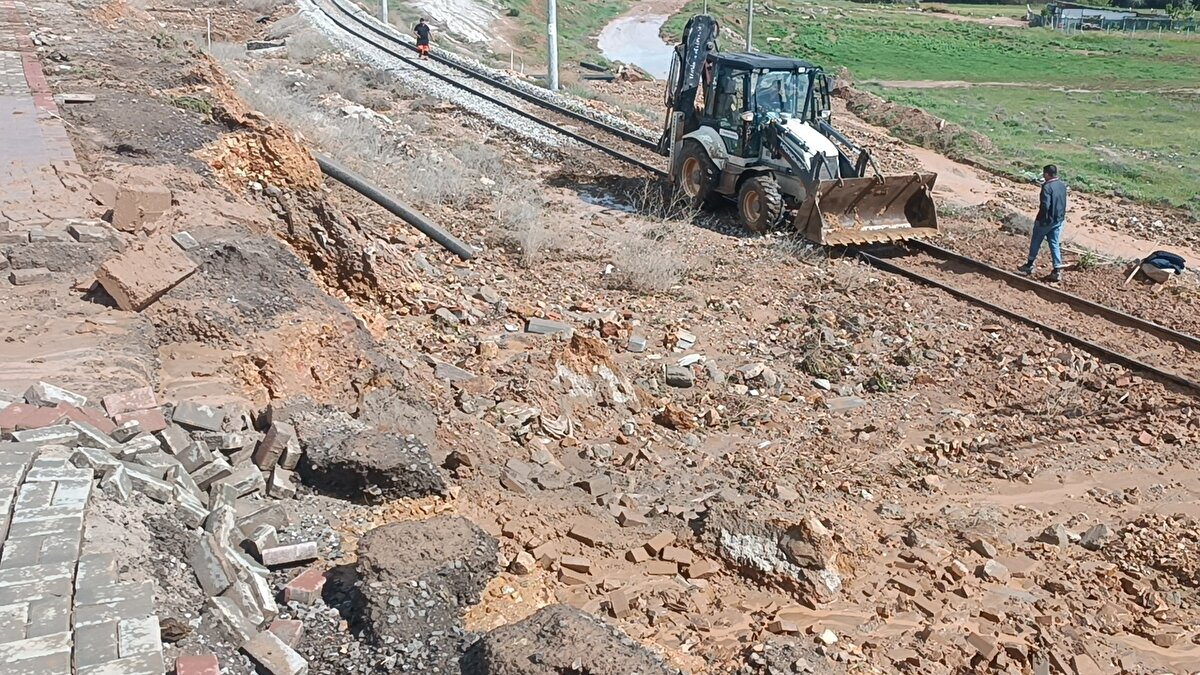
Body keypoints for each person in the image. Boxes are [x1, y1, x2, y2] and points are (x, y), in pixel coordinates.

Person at [1020, 164, 1068, 282]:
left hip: (1046, 221)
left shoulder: (1047, 187)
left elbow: (1045, 206)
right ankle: (1057, 270)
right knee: (1054, 243)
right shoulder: (1062, 185)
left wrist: (1041, 220)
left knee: (1036, 240)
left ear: (1047, 174)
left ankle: (1029, 265)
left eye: (1044, 173)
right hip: (1058, 220)